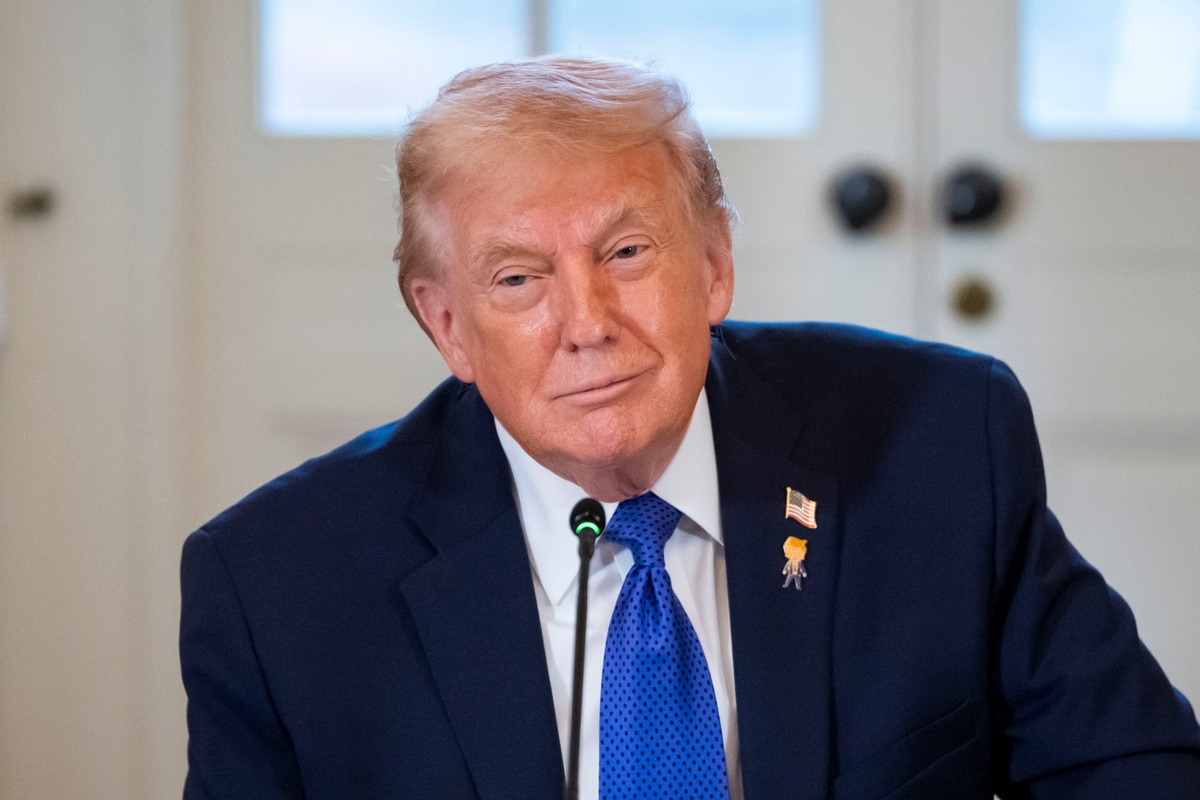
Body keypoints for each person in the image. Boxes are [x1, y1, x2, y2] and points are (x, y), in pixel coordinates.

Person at [179, 56, 1200, 799]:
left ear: (713, 263)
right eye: (519, 279)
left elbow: (1132, 766)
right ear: (447, 322)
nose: (587, 325)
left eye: (626, 252)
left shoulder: (935, 445)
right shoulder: (280, 584)